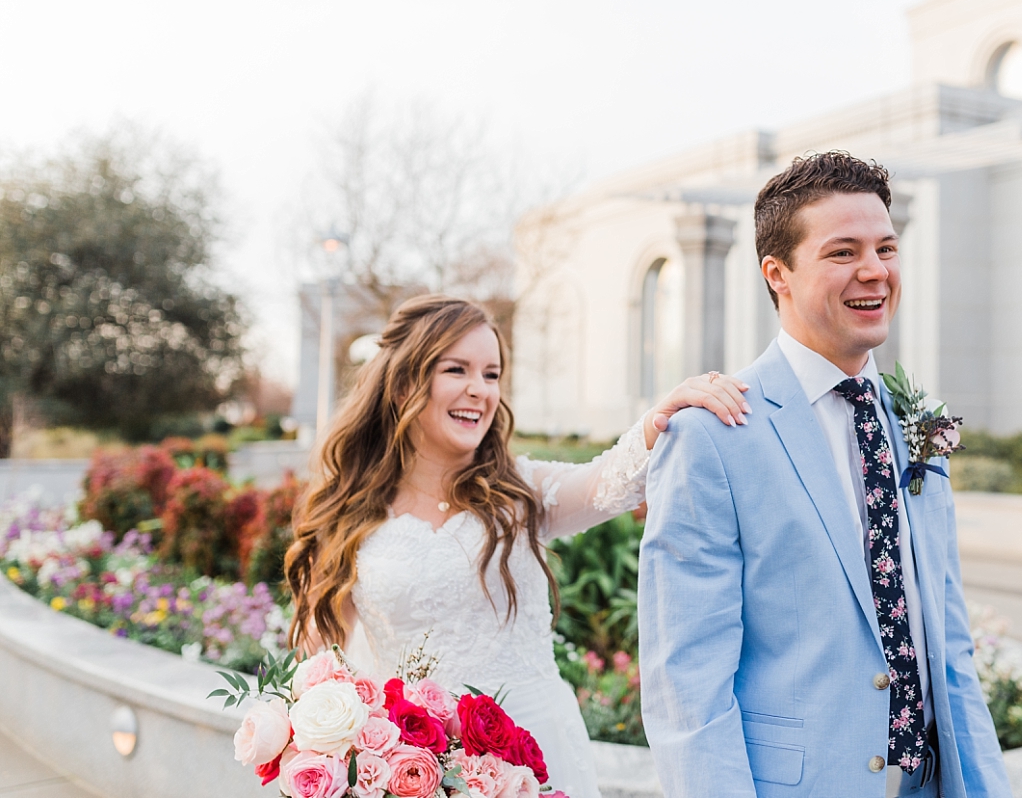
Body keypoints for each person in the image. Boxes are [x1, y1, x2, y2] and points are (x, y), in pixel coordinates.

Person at [638, 152, 1011, 798]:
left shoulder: (920, 419)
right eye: (843, 252)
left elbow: (948, 639)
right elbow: (686, 683)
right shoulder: (709, 435)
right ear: (776, 273)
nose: (875, 271)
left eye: (886, 247)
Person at [283, 294, 749, 798]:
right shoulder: (347, 511)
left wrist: (660, 417)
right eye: (456, 369)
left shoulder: (520, 494)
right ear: (402, 385)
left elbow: (608, 481)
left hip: (536, 754)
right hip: (413, 771)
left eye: (491, 374)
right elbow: (319, 666)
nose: (479, 390)